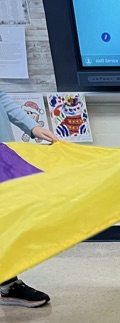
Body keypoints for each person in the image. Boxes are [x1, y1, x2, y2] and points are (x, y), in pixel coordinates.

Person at [0, 91, 57, 308]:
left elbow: (0, 96)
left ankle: (7, 284)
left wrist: (31, 126)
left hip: (3, 155)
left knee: (6, 218)